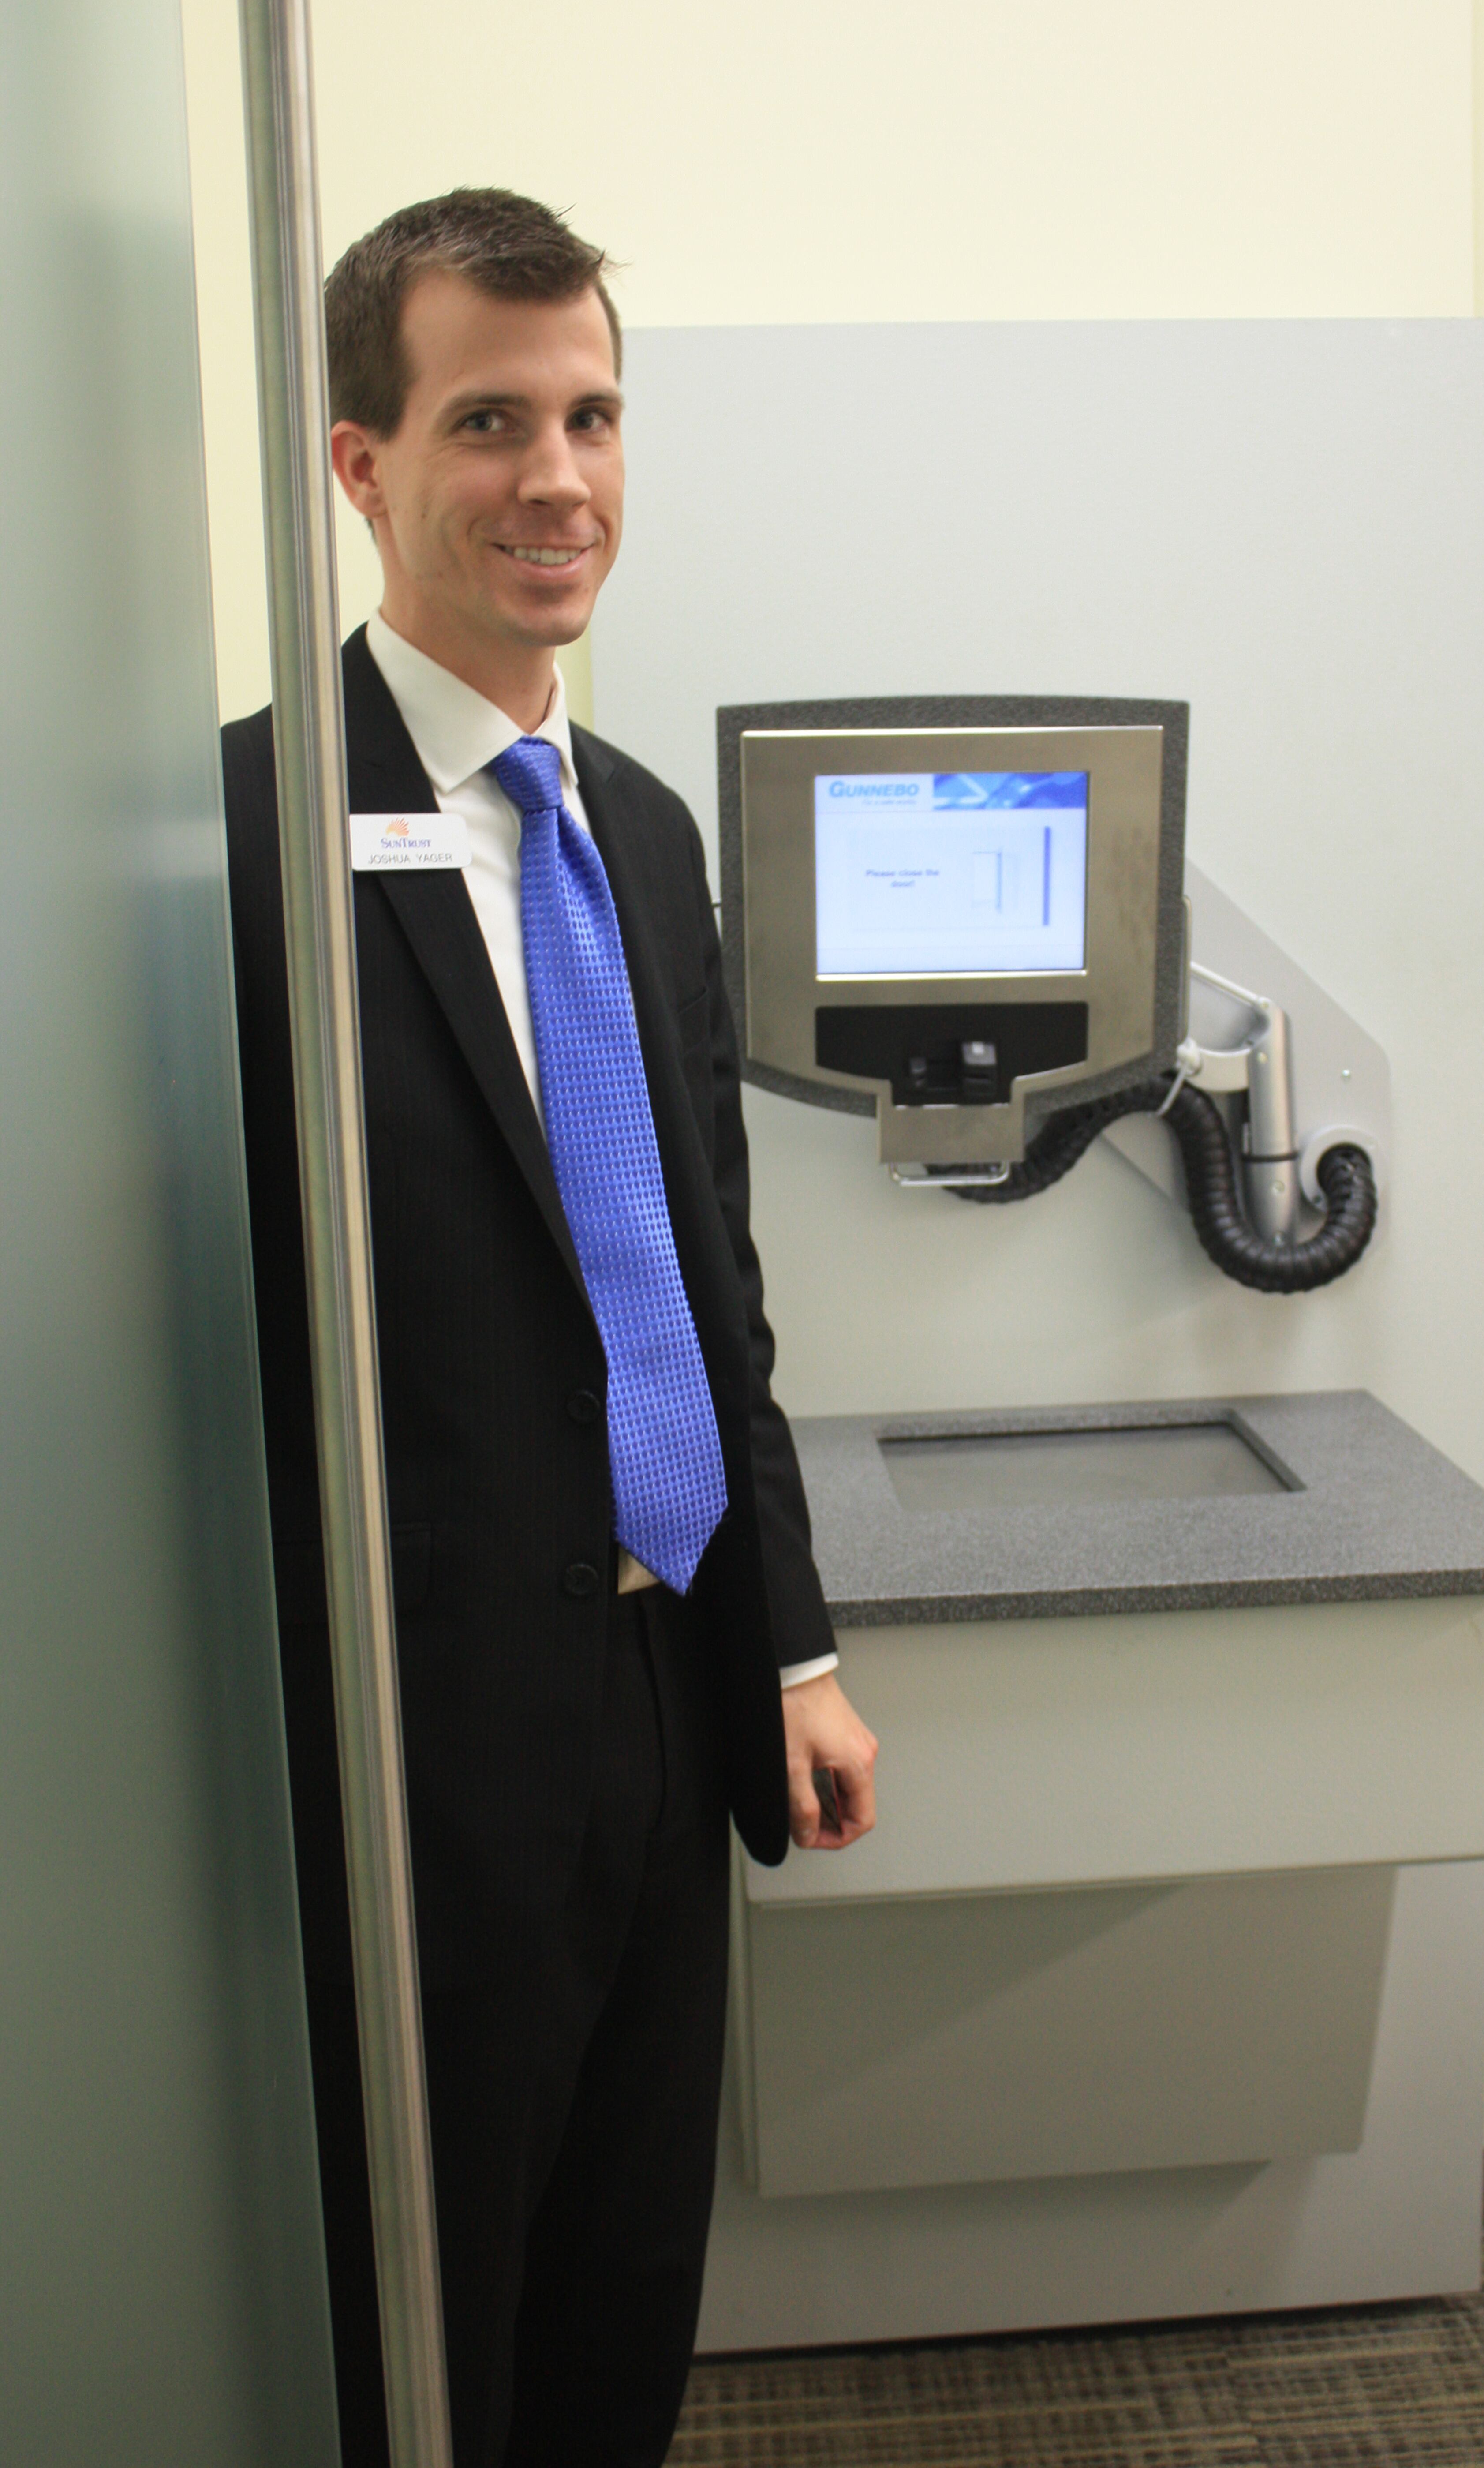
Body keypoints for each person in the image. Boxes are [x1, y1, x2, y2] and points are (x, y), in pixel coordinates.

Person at [221, 187, 878, 2468]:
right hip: (412, 1740)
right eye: (488, 420)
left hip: (659, 1677)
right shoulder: (243, 834)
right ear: (361, 464)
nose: (558, 478)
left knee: (623, 2297)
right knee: (434, 2334)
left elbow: (709, 1274)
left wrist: (783, 1648)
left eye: (592, 415)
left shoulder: (643, 826)